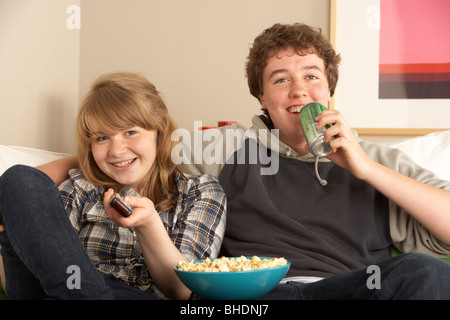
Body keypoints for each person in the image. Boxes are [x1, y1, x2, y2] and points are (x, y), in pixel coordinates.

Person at [28, 23, 450, 299]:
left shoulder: (379, 161)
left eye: (311, 76)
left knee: (425, 273)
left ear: (329, 88)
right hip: (249, 301)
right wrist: (23, 195)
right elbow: (129, 153)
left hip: (344, 290)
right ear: (262, 98)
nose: (299, 91)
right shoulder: (226, 147)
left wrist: (365, 169)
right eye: (281, 80)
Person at [0, 72, 226, 299]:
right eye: (102, 138)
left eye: (130, 132)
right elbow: (54, 261)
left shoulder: (200, 191)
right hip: (71, 288)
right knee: (18, 178)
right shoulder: (80, 188)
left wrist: (148, 224)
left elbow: (184, 291)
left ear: (160, 132)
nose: (116, 151)